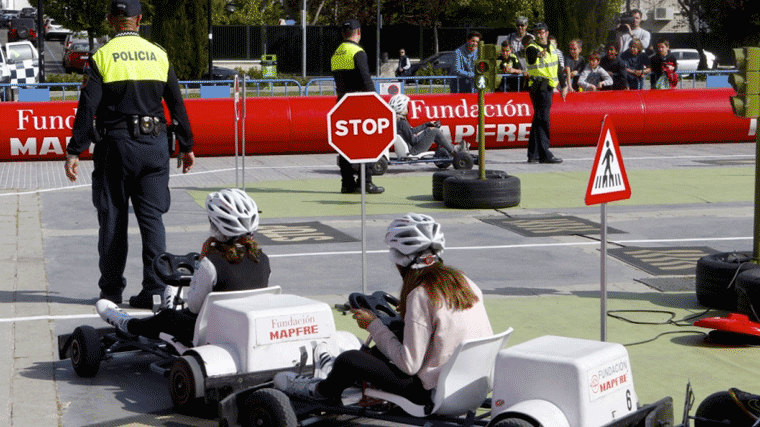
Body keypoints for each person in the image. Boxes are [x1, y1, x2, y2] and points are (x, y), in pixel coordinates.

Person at [273, 213, 493, 405]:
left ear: (399, 257)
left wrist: (373, 325)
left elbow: (409, 365)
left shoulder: (421, 294)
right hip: (468, 384)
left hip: (430, 393)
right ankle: (346, 379)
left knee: (349, 360)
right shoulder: (464, 282)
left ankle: (319, 390)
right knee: (393, 334)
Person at [64, 0, 196, 309]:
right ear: (138, 20)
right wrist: (186, 145)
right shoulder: (159, 54)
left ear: (112, 20)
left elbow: (88, 108)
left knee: (112, 219)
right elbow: (177, 104)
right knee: (152, 221)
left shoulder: (102, 56)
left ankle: (111, 292)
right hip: (155, 146)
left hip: (117, 148)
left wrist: (74, 151)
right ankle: (155, 288)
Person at [95, 189, 271, 344]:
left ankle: (128, 324)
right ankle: (170, 304)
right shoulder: (263, 259)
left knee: (167, 317)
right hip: (244, 328)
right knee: (180, 312)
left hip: (207, 331)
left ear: (215, 226)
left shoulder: (210, 264)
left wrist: (201, 263)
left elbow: (194, 307)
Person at [331, 18, 384, 194]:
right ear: (359, 32)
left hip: (342, 104)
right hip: (360, 104)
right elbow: (366, 81)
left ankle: (347, 183)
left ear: (342, 34)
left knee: (345, 146)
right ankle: (366, 182)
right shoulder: (357, 51)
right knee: (367, 143)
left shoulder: (337, 52)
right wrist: (377, 104)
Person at [525, 22, 568, 164]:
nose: (539, 34)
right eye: (537, 32)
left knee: (538, 120)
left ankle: (533, 154)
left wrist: (564, 85)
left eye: (542, 32)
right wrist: (539, 54)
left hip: (548, 87)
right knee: (543, 121)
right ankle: (544, 154)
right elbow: (531, 57)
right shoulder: (532, 47)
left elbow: (558, 68)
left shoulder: (553, 48)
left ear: (547, 33)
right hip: (539, 87)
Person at [388, 94, 467, 156]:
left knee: (433, 132)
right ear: (401, 108)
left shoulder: (397, 121)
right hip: (413, 151)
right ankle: (454, 150)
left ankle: (451, 148)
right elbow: (413, 140)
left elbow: (411, 131)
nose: (408, 107)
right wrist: (428, 130)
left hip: (410, 148)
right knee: (435, 131)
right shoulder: (402, 122)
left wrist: (427, 125)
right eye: (406, 106)